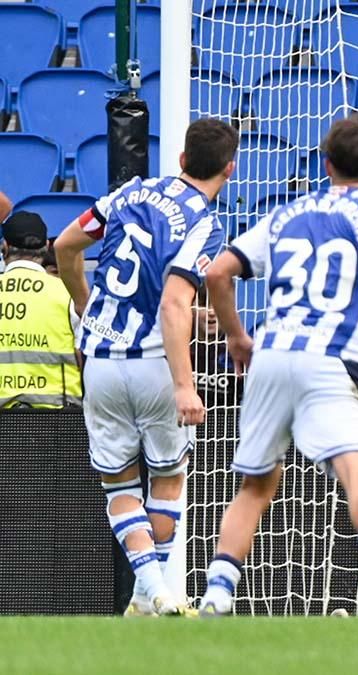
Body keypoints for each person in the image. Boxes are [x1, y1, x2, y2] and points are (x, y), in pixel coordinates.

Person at [197, 114, 358, 616]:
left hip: (272, 354)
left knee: (256, 485)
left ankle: (216, 594)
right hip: (332, 359)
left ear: (326, 165)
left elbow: (218, 271)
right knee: (357, 468)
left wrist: (237, 337)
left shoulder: (288, 212)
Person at [53, 118, 237, 616]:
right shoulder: (204, 223)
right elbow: (174, 304)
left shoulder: (127, 194)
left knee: (119, 485)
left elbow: (65, 247)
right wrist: (184, 385)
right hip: (157, 362)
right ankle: (156, 584)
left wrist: (87, 301)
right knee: (169, 480)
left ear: (180, 160)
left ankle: (144, 595)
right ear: (230, 168)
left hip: (103, 363)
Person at [0, 212, 81, 408]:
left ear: (5, 247)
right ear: (46, 246)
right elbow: (85, 357)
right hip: (60, 423)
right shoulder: (68, 293)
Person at [192, 287, 242, 408]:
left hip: (226, 423)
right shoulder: (179, 347)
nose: (212, 312)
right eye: (204, 304)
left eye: (218, 304)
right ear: (191, 307)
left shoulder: (237, 351)